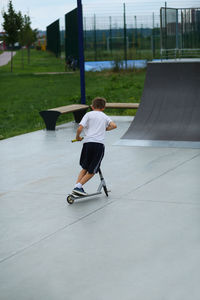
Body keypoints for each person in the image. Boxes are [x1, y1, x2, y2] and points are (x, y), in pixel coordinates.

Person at [72, 97, 117, 196]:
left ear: (92, 107)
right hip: (98, 145)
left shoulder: (88, 114)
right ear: (104, 107)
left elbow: (80, 128)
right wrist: (104, 129)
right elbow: (114, 125)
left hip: (87, 144)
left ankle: (77, 187)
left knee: (84, 168)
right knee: (92, 170)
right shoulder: (104, 116)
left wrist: (78, 137)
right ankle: (78, 187)